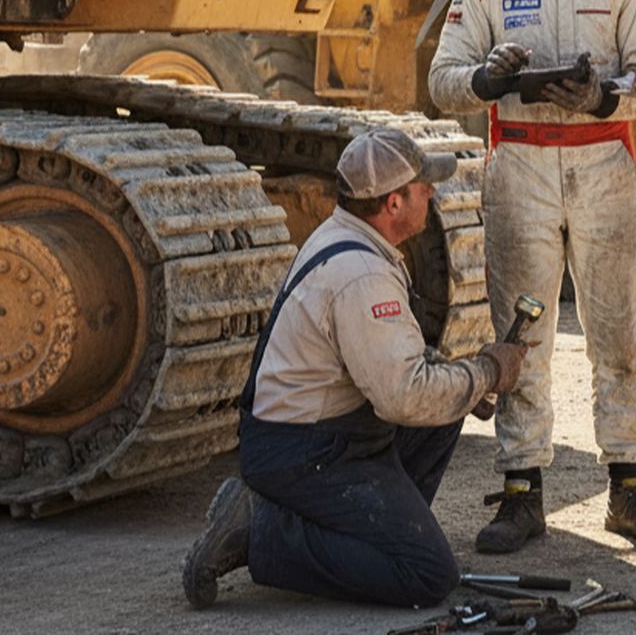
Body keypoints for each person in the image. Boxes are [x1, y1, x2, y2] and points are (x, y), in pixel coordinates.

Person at [428, 0, 636, 554]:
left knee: (617, 329)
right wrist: (483, 80)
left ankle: (627, 488)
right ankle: (521, 493)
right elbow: (440, 79)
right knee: (523, 334)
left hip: (604, 165)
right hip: (520, 169)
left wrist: (604, 95)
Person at [181, 128, 528, 609]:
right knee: (428, 574)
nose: (431, 192)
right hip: (302, 451)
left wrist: (463, 386)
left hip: (311, 431)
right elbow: (402, 397)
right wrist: (488, 372)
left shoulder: (348, 235)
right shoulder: (362, 275)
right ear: (392, 204)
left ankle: (373, 536)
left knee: (446, 406)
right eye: (422, 186)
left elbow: (397, 372)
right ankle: (260, 531)